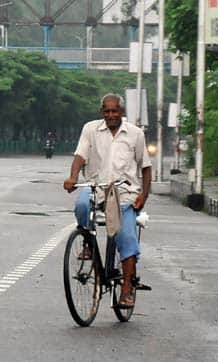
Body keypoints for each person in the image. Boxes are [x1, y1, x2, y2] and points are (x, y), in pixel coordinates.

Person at [62, 93, 152, 309]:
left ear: (122, 112)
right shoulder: (90, 129)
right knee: (82, 206)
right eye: (107, 111)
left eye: (114, 111)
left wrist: (144, 195)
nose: (111, 115)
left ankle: (127, 288)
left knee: (125, 235)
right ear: (102, 112)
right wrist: (73, 177)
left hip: (124, 192)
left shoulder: (135, 134)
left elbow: (146, 167)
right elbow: (80, 156)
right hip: (97, 186)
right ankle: (88, 244)